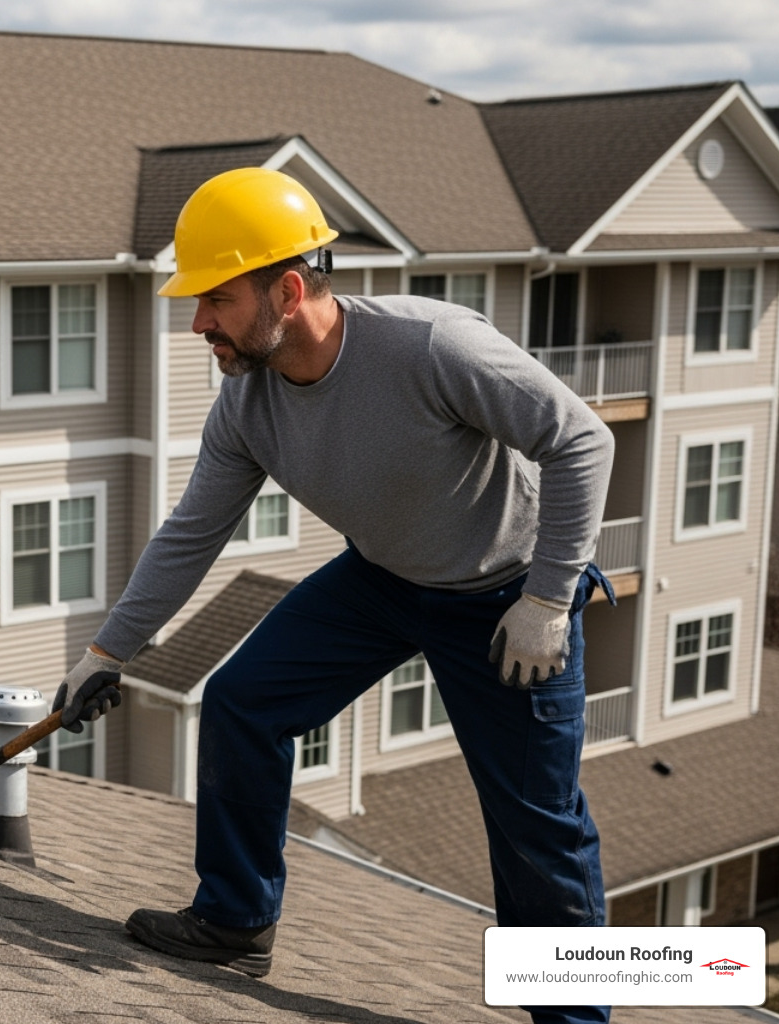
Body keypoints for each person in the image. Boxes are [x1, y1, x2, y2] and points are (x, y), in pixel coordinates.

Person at [53, 168, 615, 1024]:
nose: (198, 321)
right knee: (244, 702)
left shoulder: (432, 347)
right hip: (384, 579)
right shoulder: (245, 401)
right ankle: (235, 919)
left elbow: (581, 440)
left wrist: (548, 596)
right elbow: (190, 533)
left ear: (286, 289)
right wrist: (106, 652)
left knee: (538, 828)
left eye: (215, 299)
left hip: (507, 597)